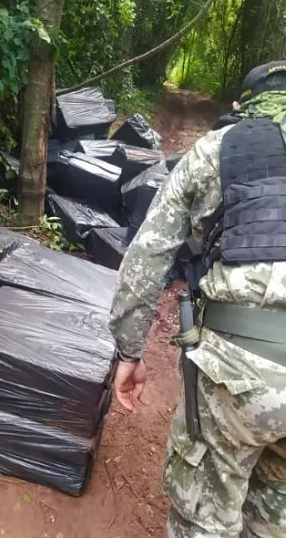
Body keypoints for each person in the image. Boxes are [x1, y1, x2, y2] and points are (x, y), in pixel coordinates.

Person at [109, 61, 286, 538]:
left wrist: (129, 352)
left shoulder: (218, 148)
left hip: (240, 372)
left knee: (204, 517)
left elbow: (147, 258)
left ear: (243, 106)